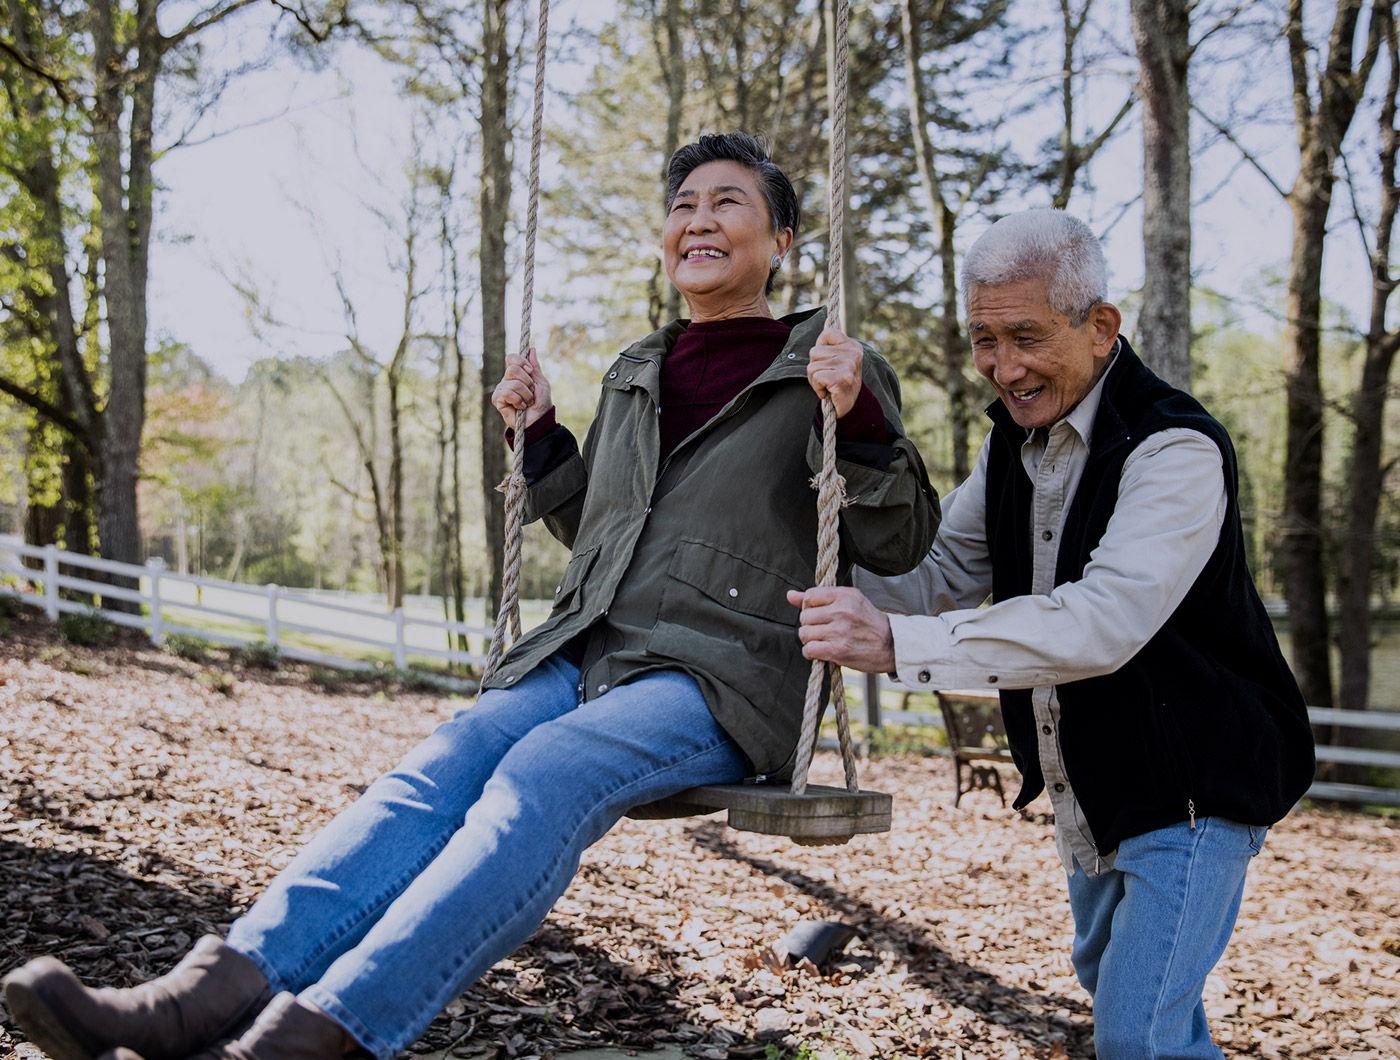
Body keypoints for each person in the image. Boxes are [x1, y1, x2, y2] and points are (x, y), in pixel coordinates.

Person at [2, 132, 936, 1060]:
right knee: (435, 769)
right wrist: (540, 439)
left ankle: (317, 1036)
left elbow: (898, 537)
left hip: (720, 677)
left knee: (544, 775)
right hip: (592, 649)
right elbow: (608, 538)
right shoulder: (637, 369)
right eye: (683, 204)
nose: (698, 220)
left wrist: (857, 416)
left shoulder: (826, 360)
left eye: (729, 203)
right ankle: (195, 1001)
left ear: (780, 242)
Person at [787, 208, 1315, 1060]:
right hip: (1091, 790)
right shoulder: (1010, 454)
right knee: (1143, 1019)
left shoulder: (1174, 450)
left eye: (1026, 335)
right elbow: (929, 580)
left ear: (1101, 327)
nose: (1004, 366)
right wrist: (803, 562)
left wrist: (896, 646)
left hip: (1194, 792)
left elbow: (1102, 622)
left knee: (1138, 1037)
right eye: (984, 338)